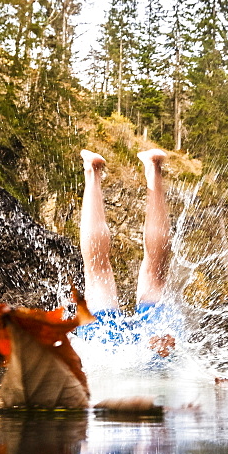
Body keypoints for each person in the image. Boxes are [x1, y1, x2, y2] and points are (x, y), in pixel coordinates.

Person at [75, 148, 177, 358]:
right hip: (158, 344)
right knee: (155, 273)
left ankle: (93, 172)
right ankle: (154, 167)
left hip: (107, 353)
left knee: (98, 273)